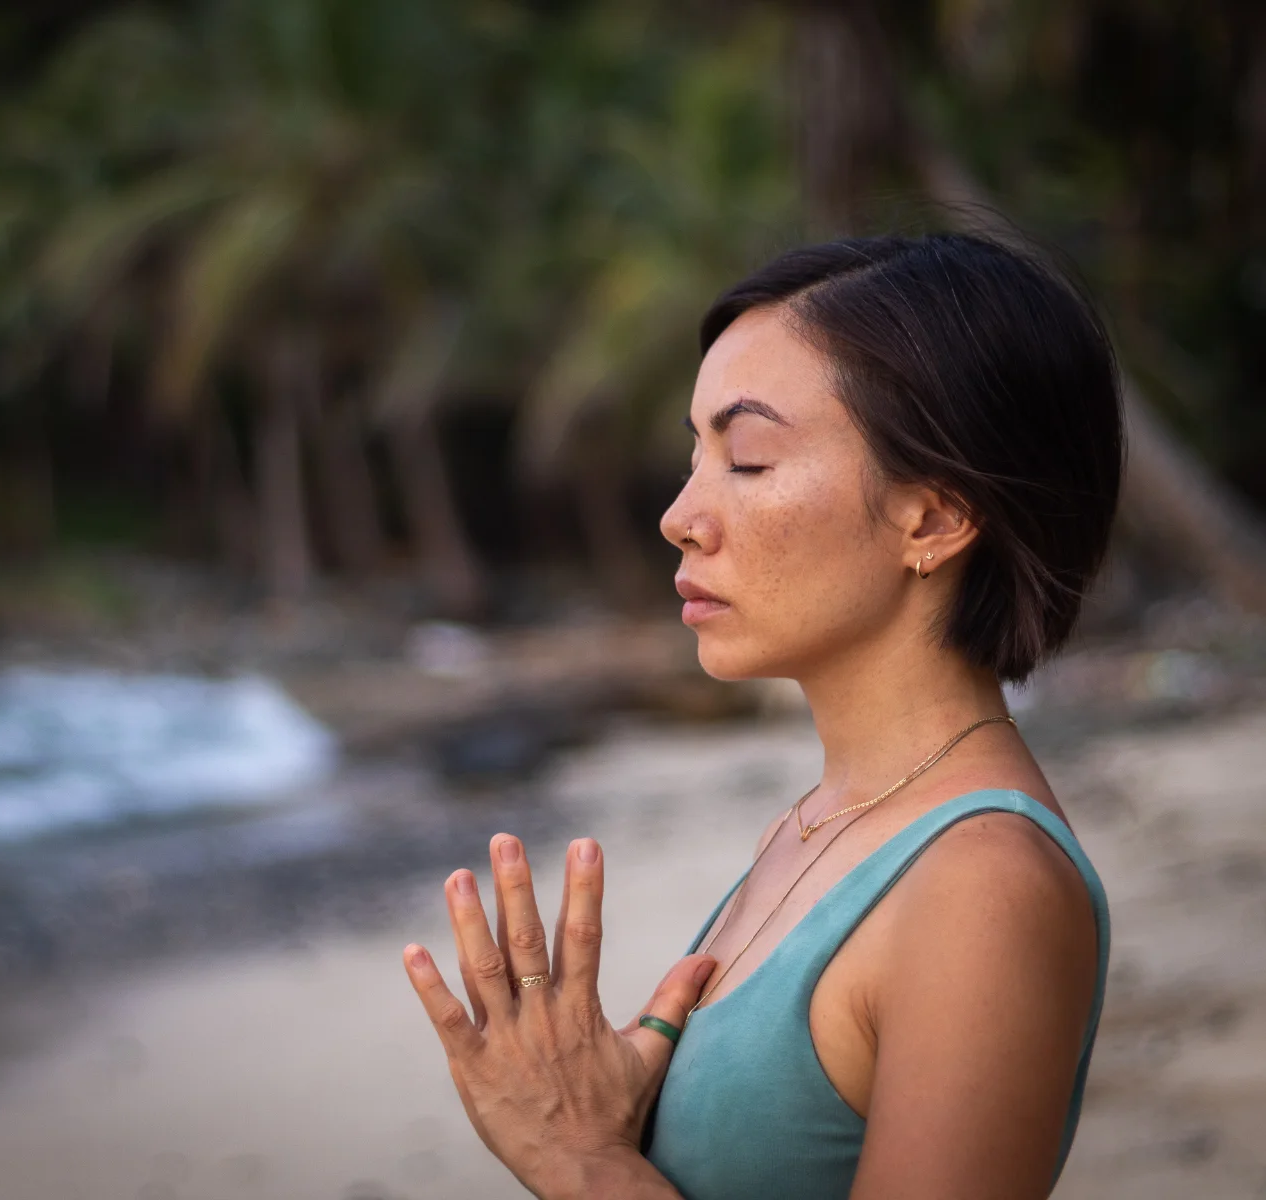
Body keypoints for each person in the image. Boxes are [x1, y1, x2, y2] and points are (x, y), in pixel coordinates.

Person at [401, 232, 1119, 1199]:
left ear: (935, 520)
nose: (681, 514)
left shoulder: (982, 886)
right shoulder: (825, 817)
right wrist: (611, 1115)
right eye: (696, 453)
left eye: (746, 459)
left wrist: (582, 1162)